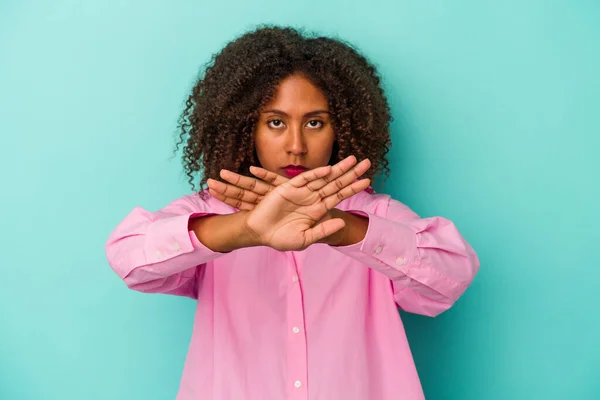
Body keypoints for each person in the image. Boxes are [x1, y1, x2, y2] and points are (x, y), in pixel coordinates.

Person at [105, 25, 480, 400]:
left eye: (315, 122)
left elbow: (451, 276)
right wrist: (245, 230)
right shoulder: (209, 212)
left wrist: (340, 227)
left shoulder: (373, 214)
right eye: (276, 122)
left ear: (342, 129)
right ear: (244, 127)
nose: (296, 146)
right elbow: (129, 257)